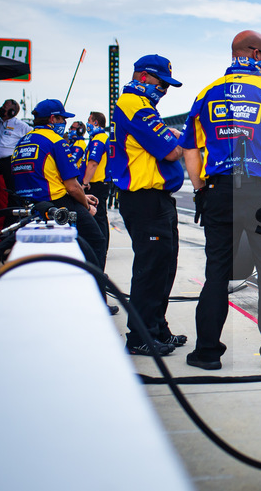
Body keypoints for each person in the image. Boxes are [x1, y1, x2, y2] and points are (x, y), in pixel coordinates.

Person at [180, 30, 261, 371]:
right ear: (254, 54)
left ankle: (206, 352)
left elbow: (190, 149)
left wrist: (200, 189)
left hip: (219, 191)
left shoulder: (206, 94)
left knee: (217, 274)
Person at [110, 54, 187, 357]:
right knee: (150, 268)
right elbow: (172, 151)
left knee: (164, 266)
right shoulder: (134, 105)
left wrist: (178, 139)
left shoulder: (143, 107)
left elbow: (172, 142)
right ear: (143, 77)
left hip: (156, 201)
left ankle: (157, 329)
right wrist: (183, 140)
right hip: (144, 200)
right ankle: (139, 336)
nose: (164, 91)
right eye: (161, 83)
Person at [10, 99, 108, 272]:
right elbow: (72, 186)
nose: (65, 123)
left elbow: (44, 177)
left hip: (27, 204)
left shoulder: (22, 141)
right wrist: (86, 206)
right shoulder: (56, 141)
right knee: (96, 240)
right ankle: (95, 286)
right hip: (56, 203)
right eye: (63, 119)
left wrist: (82, 196)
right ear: (53, 119)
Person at [82, 111, 117, 314]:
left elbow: (93, 163)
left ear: (95, 122)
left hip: (96, 188)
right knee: (99, 231)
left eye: (89, 121)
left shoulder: (98, 139)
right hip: (102, 187)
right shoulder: (103, 137)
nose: (87, 124)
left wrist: (84, 184)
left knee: (98, 233)